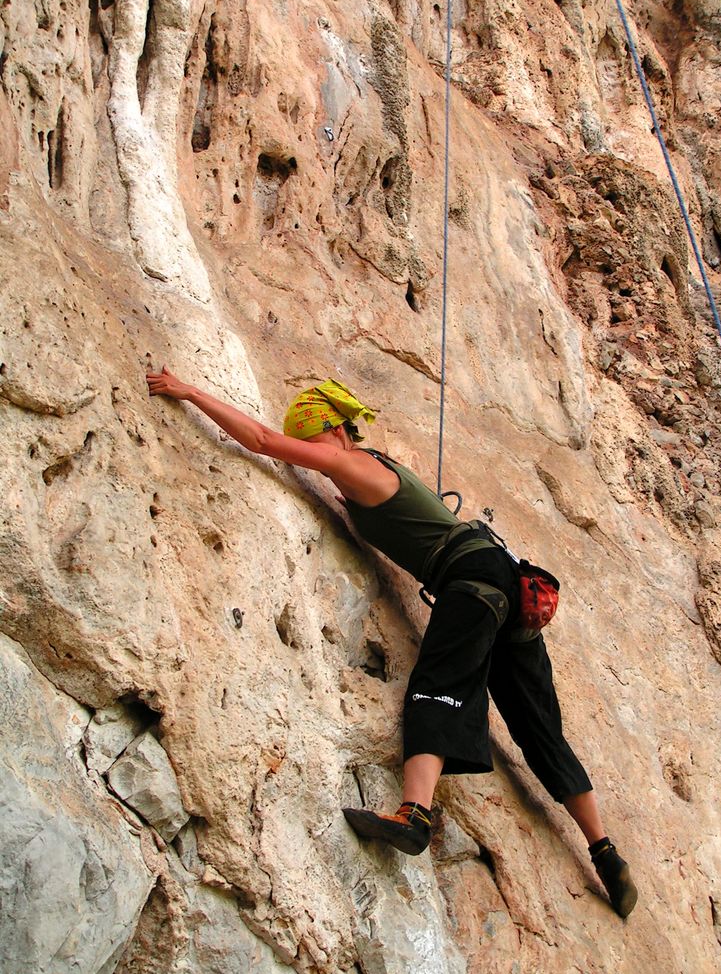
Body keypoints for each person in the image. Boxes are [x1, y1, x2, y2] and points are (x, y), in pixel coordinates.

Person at [146, 367, 638, 918]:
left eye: (311, 443)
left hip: (473, 581)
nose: (311, 457)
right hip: (505, 584)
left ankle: (415, 814)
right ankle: (605, 851)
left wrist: (190, 392)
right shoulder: (374, 468)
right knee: (539, 727)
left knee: (438, 685)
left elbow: (263, 442)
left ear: (333, 431)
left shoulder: (355, 463)